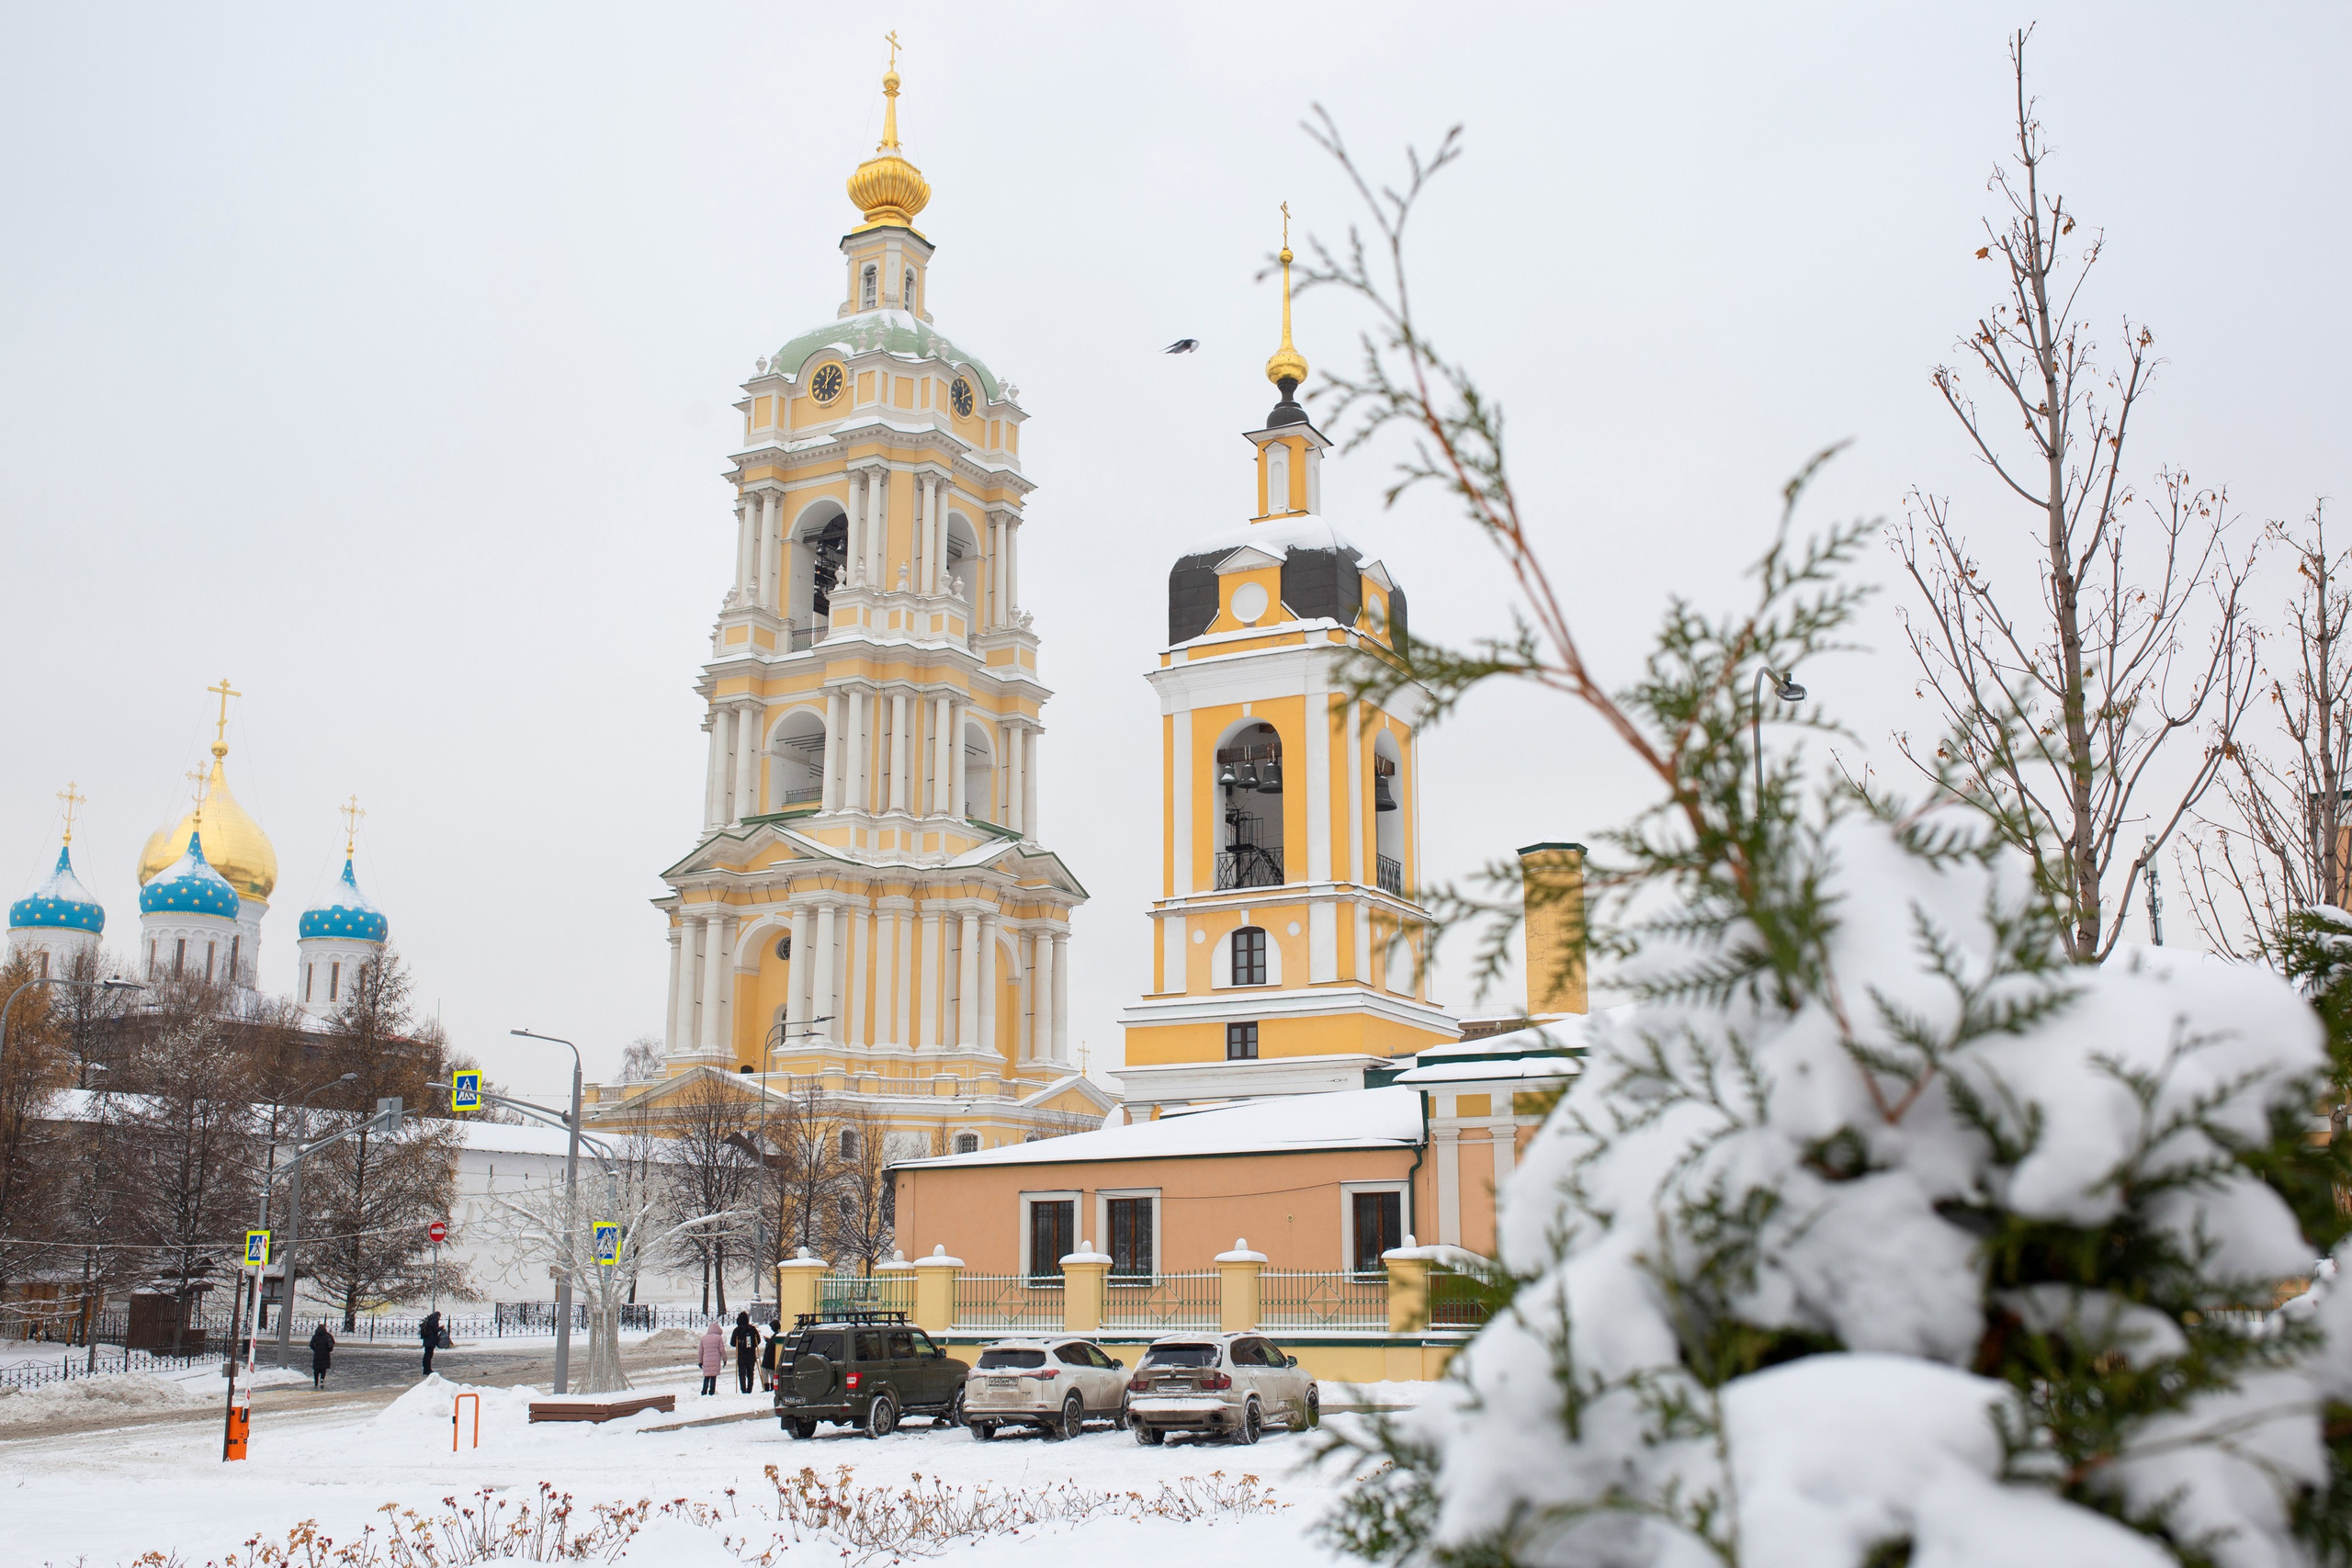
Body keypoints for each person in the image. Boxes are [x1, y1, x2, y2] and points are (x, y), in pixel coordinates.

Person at [730, 1312, 760, 1394]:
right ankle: (750, 1389)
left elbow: (732, 1343)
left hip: (741, 1355)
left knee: (742, 1373)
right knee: (751, 1372)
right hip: (751, 1355)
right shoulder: (753, 1329)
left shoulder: (737, 1330)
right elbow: (758, 1341)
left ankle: (743, 1389)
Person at [697, 1319, 724, 1395]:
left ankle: (704, 1391)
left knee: (706, 1376)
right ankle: (711, 1391)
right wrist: (725, 1359)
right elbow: (722, 1350)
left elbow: (700, 1352)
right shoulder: (719, 1338)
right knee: (713, 1377)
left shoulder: (703, 1338)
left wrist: (700, 1361)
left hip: (706, 1360)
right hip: (715, 1360)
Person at [308, 1324, 335, 1390]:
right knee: (323, 1368)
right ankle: (322, 1379)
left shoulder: (315, 1336)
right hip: (325, 1353)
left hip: (317, 1353)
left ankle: (316, 1383)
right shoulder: (328, 1335)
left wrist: (316, 1349)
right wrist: (328, 1350)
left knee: (316, 1368)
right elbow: (333, 1342)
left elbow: (311, 1345)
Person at [759, 1321, 783, 1393]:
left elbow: (772, 1344)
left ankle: (767, 1388)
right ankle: (771, 1388)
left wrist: (767, 1340)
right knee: (771, 1373)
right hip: (771, 1358)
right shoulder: (778, 1334)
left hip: (769, 1358)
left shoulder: (777, 1335)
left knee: (766, 1373)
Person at [420, 1310, 443, 1377]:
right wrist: (441, 1328)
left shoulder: (429, 1319)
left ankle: (425, 1369)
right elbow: (435, 1329)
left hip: (427, 1339)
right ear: (438, 1316)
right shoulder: (435, 1320)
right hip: (431, 1340)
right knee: (429, 1355)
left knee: (426, 1354)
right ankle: (428, 1369)